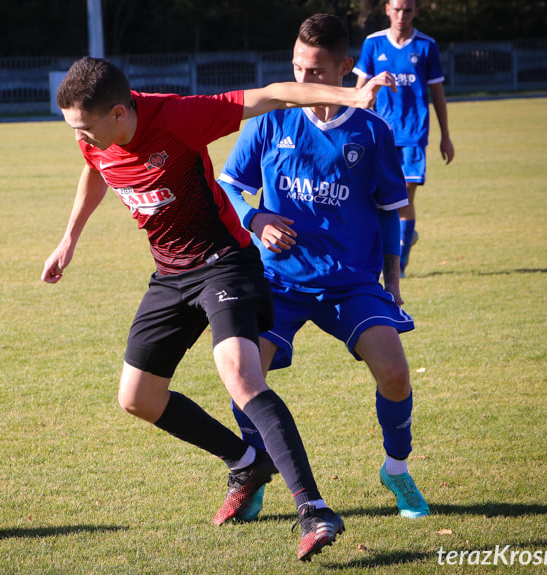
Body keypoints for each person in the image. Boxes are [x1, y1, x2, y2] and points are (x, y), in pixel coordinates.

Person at [42, 56, 395, 561]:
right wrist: (68, 240)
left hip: (225, 263)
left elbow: (272, 94)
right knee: (137, 397)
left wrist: (351, 97)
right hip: (169, 274)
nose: (80, 137)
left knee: (241, 375)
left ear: (119, 113)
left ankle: (315, 509)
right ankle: (245, 461)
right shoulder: (95, 137)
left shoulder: (179, 118)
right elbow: (95, 168)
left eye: (86, 127)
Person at [218, 13, 430, 524]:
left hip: (350, 282)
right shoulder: (272, 120)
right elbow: (227, 183)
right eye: (296, 67)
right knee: (244, 377)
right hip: (278, 281)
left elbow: (388, 213)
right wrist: (256, 214)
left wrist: (393, 282)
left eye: (314, 70)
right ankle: (255, 473)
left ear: (345, 67)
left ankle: (396, 468)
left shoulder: (373, 131)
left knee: (396, 374)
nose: (302, 80)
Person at [353, 0, 454, 277]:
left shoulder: (426, 45)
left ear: (415, 12)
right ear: (387, 9)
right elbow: (358, 91)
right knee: (377, 200)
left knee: (404, 198)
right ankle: (396, 244)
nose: (401, 15)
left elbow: (437, 93)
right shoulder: (373, 44)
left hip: (414, 135)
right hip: (380, 136)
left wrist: (446, 136)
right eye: (396, 9)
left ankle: (401, 264)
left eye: (407, 10)